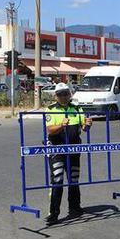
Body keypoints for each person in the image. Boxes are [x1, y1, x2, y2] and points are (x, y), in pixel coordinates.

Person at [44, 83, 93, 225]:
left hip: (73, 149)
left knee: (74, 178)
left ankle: (75, 208)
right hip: (56, 149)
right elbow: (50, 130)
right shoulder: (51, 109)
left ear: (70, 94)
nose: (63, 96)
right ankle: (53, 214)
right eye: (60, 94)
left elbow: (84, 128)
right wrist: (61, 125)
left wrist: (87, 124)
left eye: (65, 93)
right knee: (57, 180)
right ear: (56, 96)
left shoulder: (77, 108)